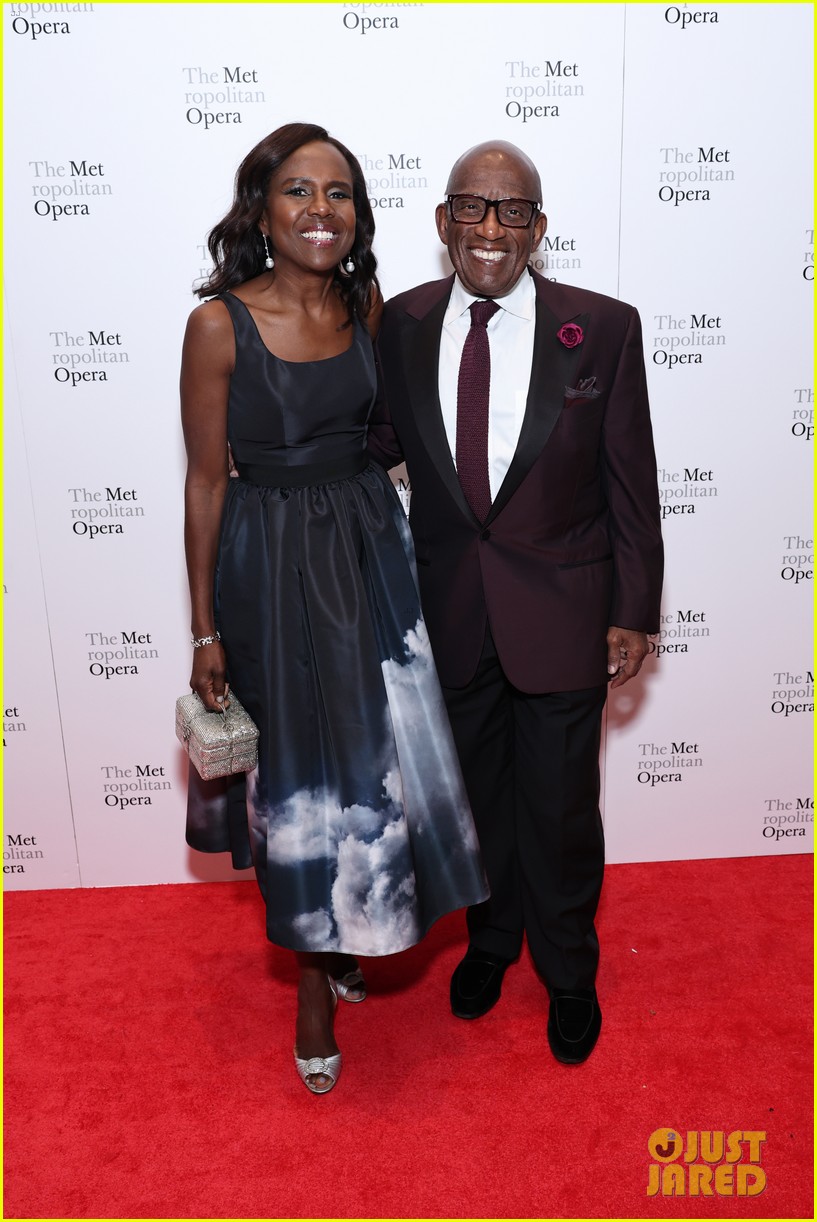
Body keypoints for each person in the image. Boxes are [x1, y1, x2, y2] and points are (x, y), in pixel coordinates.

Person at [180, 123, 487, 1095]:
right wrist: (204, 630)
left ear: (358, 213)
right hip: (267, 570)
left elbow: (401, 438)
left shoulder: (366, 303)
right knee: (297, 787)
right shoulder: (218, 325)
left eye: (340, 193)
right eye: (299, 191)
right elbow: (202, 484)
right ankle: (313, 985)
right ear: (260, 209)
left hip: (367, 557)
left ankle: (354, 930)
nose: (321, 210)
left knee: (371, 767)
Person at [369, 140, 663, 1064]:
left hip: (566, 616)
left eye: (511, 211)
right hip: (449, 610)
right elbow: (378, 439)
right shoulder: (402, 323)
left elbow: (630, 482)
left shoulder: (603, 328)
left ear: (539, 230)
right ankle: (493, 945)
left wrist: (636, 608)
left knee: (562, 811)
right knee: (478, 805)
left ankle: (569, 972)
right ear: (441, 221)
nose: (489, 228)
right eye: (471, 207)